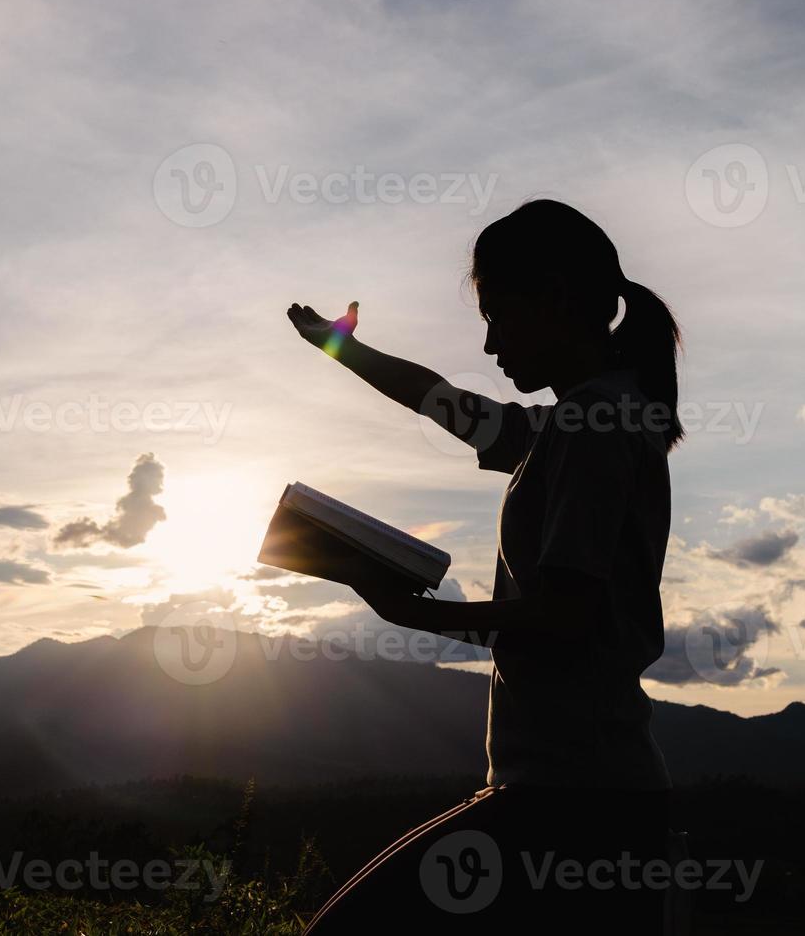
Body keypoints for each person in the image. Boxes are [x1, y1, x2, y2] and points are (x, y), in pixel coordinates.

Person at [287, 199, 681, 933]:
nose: (491, 343)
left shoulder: (587, 428)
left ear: (557, 299)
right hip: (580, 795)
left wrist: (412, 612)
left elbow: (564, 616)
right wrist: (338, 347)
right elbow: (445, 403)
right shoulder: (575, 422)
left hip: (571, 806)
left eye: (498, 314)